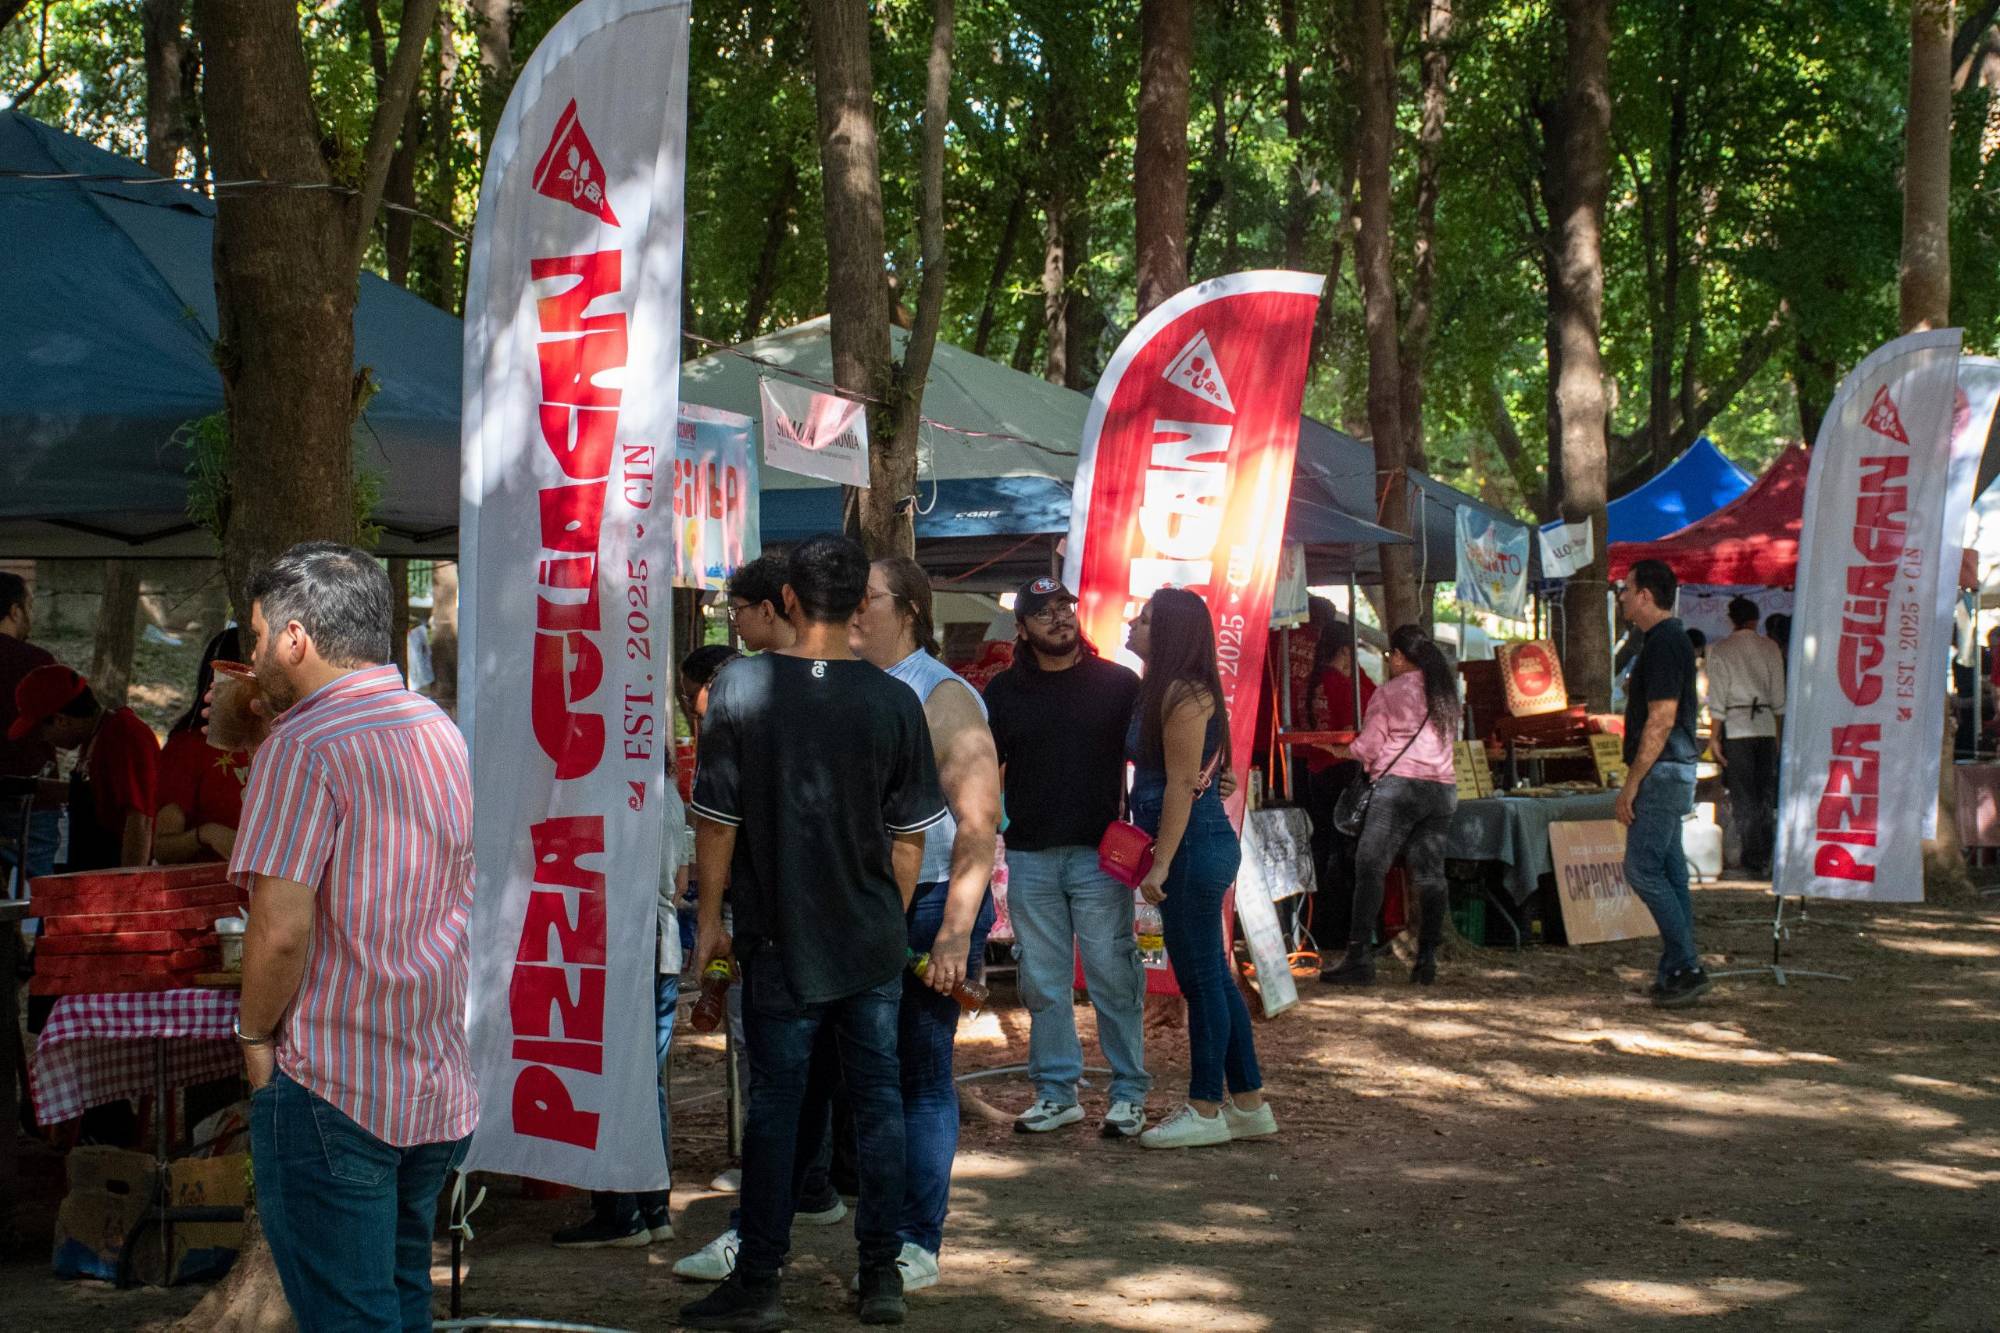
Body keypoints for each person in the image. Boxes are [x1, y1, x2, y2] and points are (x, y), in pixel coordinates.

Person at [680, 534, 948, 1330]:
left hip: (778, 938)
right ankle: (881, 1276)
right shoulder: (894, 698)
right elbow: (910, 838)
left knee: (778, 1107)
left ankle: (760, 1276)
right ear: (859, 603)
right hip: (867, 938)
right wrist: (883, 916)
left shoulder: (741, 687)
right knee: (878, 1104)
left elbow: (716, 822)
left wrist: (708, 922)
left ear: (789, 600)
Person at [228, 542, 476, 1327]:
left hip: (335, 1079)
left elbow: (277, 931)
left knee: (353, 1314)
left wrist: (254, 1040)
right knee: (399, 1300)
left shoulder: (301, 747)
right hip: (429, 1076)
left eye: (258, 636)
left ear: (295, 639)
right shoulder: (437, 726)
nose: (254, 655)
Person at [847, 555, 1000, 1291]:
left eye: (865, 598)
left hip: (935, 898)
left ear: (906, 607)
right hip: (867, 901)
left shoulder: (944, 695)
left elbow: (979, 823)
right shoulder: (851, 684)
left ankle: (917, 1239)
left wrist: (955, 934)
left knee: (920, 1072)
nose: (852, 610)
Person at [980, 575, 1152, 1138]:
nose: (1059, 617)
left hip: (1101, 857)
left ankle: (1128, 1093)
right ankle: (1057, 1094)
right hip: (1029, 855)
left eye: (1065, 607)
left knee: (1112, 973)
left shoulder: (1118, 683)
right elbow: (983, 771)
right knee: (1042, 981)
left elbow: (1159, 750)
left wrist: (1208, 773)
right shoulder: (1003, 692)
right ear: (1023, 628)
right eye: (1045, 611)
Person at [1125, 588, 1273, 1151]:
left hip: (1191, 847)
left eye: (1144, 620)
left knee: (1201, 980)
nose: (1134, 625)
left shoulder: (1184, 693)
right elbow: (1211, 773)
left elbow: (1183, 787)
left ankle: (1205, 1107)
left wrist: (1159, 864)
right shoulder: (1164, 690)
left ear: (1168, 633)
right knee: (1211, 975)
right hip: (1193, 841)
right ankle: (1249, 1102)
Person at [550, 739, 688, 1249]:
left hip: (624, 949)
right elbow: (679, 879)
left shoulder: (615, 795)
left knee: (611, 1078)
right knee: (645, 1085)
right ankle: (652, 1206)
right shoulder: (669, 793)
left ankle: (620, 1210)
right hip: (662, 946)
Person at [1320, 625, 1462, 988]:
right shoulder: (1446, 691)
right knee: (1430, 874)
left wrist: (1339, 750)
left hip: (1399, 789)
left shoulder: (1390, 692)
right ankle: (1426, 959)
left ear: (1399, 656)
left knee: (1370, 866)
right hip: (1442, 790)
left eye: (1389, 656)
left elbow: (1368, 748)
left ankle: (1358, 957)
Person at [1615, 559, 1710, 1008]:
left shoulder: (1665, 643)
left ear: (1645, 596)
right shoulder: (1660, 641)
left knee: (1642, 869)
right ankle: (1676, 967)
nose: (1621, 597)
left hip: (1662, 770)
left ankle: (1687, 964)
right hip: (1671, 769)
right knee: (1671, 872)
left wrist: (1633, 783)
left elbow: (1662, 718)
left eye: (1625, 589)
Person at [10, 663, 158, 870]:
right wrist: (26, 786)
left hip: (111, 875)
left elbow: (140, 820)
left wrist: (128, 888)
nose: (43, 739)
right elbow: (96, 796)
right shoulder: (94, 736)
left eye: (40, 731)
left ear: (61, 720)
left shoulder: (124, 736)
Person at [1303, 620, 1376, 952]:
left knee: (1325, 849)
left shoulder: (1317, 680)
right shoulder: (1344, 685)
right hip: (1342, 773)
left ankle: (1321, 927)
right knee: (1344, 854)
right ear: (1346, 649)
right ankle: (1339, 930)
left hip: (1318, 772)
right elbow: (1353, 728)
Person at [154, 627, 250, 864]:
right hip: (209, 891)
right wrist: (206, 834)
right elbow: (162, 849)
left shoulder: (288, 741)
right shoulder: (188, 748)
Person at [1706, 596, 1786, 879]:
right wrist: (1777, 734)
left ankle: (1752, 856)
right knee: (1764, 792)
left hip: (1737, 727)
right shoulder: (1770, 647)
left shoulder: (1721, 649)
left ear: (1731, 619)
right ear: (1756, 619)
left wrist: (1714, 737)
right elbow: (1779, 696)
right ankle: (1763, 854)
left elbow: (1717, 698)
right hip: (1764, 726)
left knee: (1743, 795)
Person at [0, 571, 59, 881]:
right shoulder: (37, 661)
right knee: (38, 894)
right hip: (32, 800)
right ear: (14, 610)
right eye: (29, 607)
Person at [727, 554, 797, 654]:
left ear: (766, 611)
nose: (735, 623)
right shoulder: (822, 662)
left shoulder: (745, 669)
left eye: (738, 610)